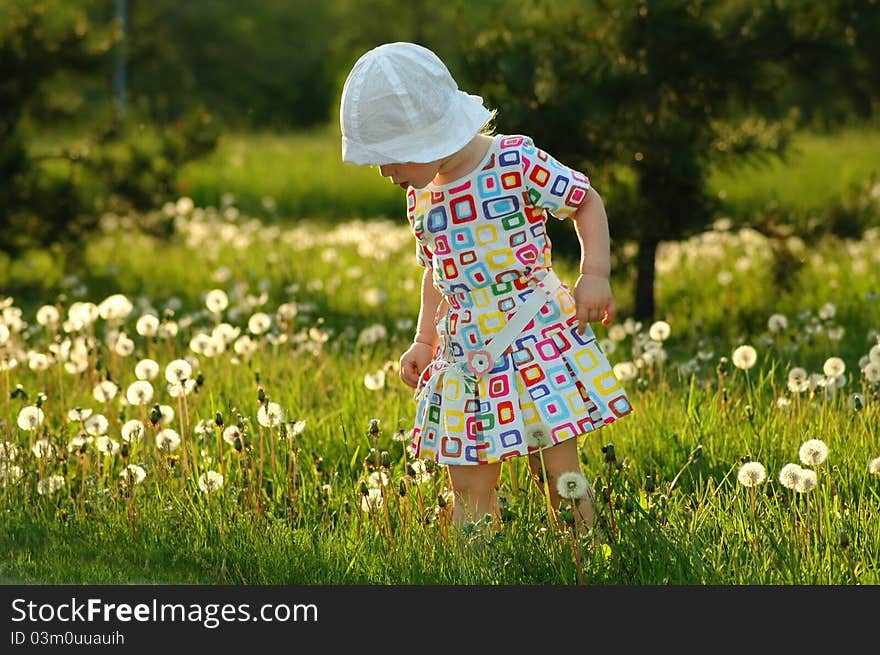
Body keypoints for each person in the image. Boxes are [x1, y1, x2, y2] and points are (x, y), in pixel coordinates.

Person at [340, 42, 633, 535]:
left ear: (425, 138)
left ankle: (587, 553)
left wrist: (595, 274)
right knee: (468, 478)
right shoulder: (421, 199)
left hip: (533, 339)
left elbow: (585, 201)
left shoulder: (516, 161)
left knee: (556, 467)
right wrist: (424, 340)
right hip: (465, 352)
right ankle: (474, 568)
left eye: (388, 158)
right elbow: (436, 272)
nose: (384, 172)